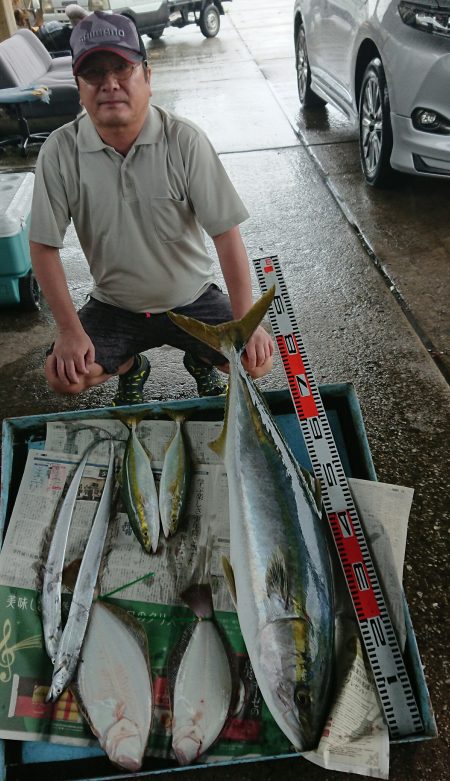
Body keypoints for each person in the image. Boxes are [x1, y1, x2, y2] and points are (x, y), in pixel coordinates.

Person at [29, 11, 273, 407]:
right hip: (115, 306)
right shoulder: (60, 151)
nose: (110, 84)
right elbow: (43, 247)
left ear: (147, 76)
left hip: (192, 298)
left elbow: (226, 235)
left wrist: (246, 323)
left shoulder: (185, 141)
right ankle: (129, 366)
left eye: (122, 69)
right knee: (65, 376)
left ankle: (201, 357)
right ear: (78, 87)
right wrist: (70, 331)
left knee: (253, 360)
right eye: (94, 74)